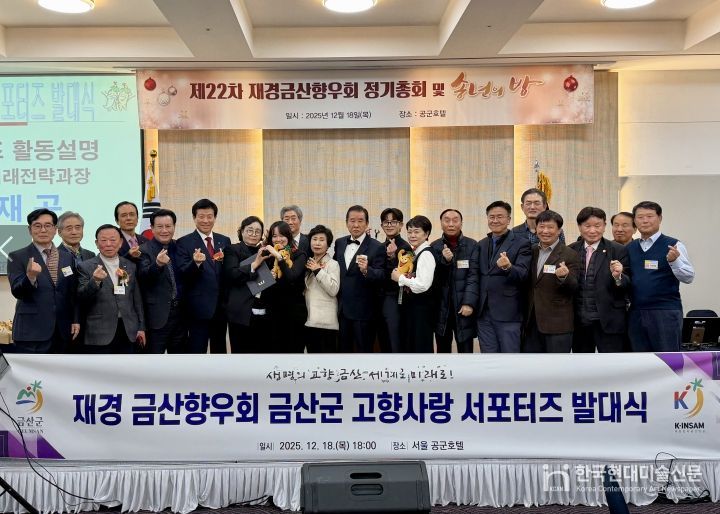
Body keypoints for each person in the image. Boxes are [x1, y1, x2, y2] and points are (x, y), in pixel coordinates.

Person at [7, 208, 79, 353]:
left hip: (62, 331)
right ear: (30, 230)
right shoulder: (17, 256)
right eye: (37, 226)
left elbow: (72, 292)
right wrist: (30, 277)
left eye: (47, 225)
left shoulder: (67, 257)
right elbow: (17, 291)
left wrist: (75, 319)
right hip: (32, 331)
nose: (43, 230)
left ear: (55, 229)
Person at [627, 201, 694, 352]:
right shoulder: (630, 247)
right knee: (639, 360)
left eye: (650, 216)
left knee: (668, 359)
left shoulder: (673, 245)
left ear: (660, 218)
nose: (645, 221)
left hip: (665, 312)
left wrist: (675, 261)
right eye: (640, 217)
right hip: (636, 312)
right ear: (635, 221)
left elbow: (689, 277)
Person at [568, 207, 631, 353]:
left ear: (604, 226)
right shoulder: (571, 250)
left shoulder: (617, 250)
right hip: (579, 321)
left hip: (609, 320)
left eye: (597, 226)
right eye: (587, 226)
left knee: (611, 363)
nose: (592, 230)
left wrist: (618, 276)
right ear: (579, 227)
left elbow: (627, 284)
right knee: (581, 362)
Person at [473, 201, 531, 353]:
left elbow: (523, 274)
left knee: (510, 357)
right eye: (491, 217)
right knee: (489, 358)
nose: (495, 220)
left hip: (508, 313)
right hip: (483, 313)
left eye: (500, 216)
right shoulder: (481, 244)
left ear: (508, 219)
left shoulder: (522, 243)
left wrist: (508, 267)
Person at [77, 225, 146, 353]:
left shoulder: (129, 265)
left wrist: (141, 327)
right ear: (96, 243)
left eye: (113, 240)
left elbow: (136, 299)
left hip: (128, 330)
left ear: (120, 243)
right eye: (103, 240)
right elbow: (82, 297)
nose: (108, 244)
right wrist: (95, 281)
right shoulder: (85, 266)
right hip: (100, 332)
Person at [176, 199, 232, 353]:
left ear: (215, 217)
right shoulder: (184, 242)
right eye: (201, 216)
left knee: (219, 351)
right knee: (197, 350)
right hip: (197, 309)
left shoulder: (224, 240)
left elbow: (227, 271)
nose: (206, 220)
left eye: (209, 216)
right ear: (194, 218)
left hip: (221, 308)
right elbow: (182, 273)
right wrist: (196, 263)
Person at [525, 210, 579, 353]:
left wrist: (564, 277)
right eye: (541, 227)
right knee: (531, 365)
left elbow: (574, 287)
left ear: (559, 230)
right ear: (536, 229)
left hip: (558, 325)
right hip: (531, 323)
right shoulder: (531, 251)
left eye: (550, 227)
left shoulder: (570, 254)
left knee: (557, 365)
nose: (545, 231)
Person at [334, 205, 385, 353]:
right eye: (352, 221)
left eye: (360, 221)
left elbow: (382, 275)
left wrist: (367, 270)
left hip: (364, 311)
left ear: (367, 223)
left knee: (364, 352)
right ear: (346, 223)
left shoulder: (377, 246)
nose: (356, 225)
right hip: (342, 310)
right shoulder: (339, 243)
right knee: (343, 351)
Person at [138, 209, 186, 354]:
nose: (164, 230)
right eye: (159, 226)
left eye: (168, 226)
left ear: (174, 227)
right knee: (153, 361)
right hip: (157, 317)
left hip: (181, 316)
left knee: (179, 361)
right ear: (152, 228)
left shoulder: (180, 247)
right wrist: (158, 264)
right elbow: (143, 277)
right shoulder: (143, 250)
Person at [223, 216, 272, 353]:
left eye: (257, 231)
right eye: (250, 230)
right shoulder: (233, 249)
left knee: (262, 354)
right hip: (241, 313)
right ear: (242, 231)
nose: (253, 234)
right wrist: (255, 264)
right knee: (241, 355)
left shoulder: (265, 251)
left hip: (264, 313)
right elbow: (232, 274)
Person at [431, 208, 477, 353]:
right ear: (441, 223)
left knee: (465, 350)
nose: (451, 224)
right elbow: (434, 279)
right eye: (447, 220)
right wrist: (445, 261)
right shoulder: (434, 246)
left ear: (461, 223)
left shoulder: (472, 245)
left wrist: (469, 303)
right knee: (443, 350)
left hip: (463, 307)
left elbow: (473, 277)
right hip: (441, 308)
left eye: (455, 220)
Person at [392, 215, 437, 353]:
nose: (412, 235)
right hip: (414, 310)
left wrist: (400, 278)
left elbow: (423, 285)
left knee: (420, 348)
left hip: (422, 311)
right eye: (410, 232)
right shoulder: (416, 252)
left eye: (416, 232)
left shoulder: (426, 254)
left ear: (427, 234)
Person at [262, 221, 308, 353]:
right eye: (274, 236)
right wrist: (268, 278)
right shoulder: (268, 256)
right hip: (272, 313)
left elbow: (291, 277)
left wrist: (279, 258)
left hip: (294, 314)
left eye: (282, 235)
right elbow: (261, 287)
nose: (278, 239)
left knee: (293, 353)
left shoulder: (299, 254)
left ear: (288, 236)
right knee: (273, 353)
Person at [376, 208, 411, 353]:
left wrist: (392, 257)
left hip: (395, 300)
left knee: (395, 341)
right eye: (386, 222)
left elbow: (401, 277)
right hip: (379, 300)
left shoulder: (406, 248)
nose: (389, 225)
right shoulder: (379, 246)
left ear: (401, 225)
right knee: (383, 341)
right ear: (382, 225)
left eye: (393, 222)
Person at [304, 224, 340, 353]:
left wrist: (318, 270)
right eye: (314, 239)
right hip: (310, 321)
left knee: (326, 362)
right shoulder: (308, 263)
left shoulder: (333, 264)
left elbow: (334, 289)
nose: (317, 243)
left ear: (328, 244)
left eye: (321, 240)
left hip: (326, 323)